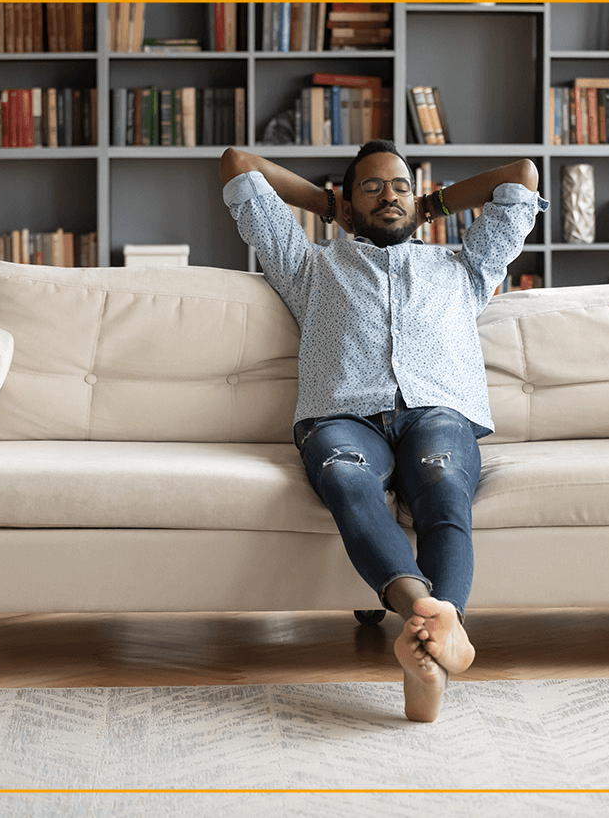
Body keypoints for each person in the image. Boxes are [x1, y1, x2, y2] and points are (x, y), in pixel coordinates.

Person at [220, 140, 547, 721]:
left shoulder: (466, 268)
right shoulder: (309, 266)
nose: (389, 195)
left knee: (444, 486)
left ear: (416, 197)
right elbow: (239, 165)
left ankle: (428, 655)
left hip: (438, 414)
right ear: (349, 203)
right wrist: (329, 205)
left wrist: (434, 203)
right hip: (343, 417)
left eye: (399, 185)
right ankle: (430, 616)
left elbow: (521, 176)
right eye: (371, 187)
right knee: (344, 479)